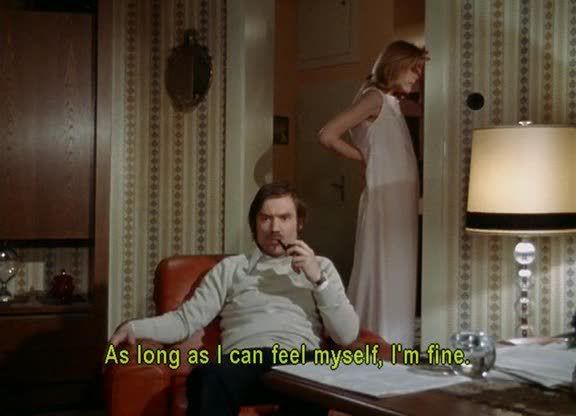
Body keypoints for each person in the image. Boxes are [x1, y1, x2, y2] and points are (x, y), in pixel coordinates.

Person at [109, 181, 359, 416]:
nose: (275, 228)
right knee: (207, 377)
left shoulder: (321, 267)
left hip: (299, 361)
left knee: (319, 376)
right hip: (243, 363)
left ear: (299, 223)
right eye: (266, 218)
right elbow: (184, 321)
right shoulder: (231, 268)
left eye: (284, 218)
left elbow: (346, 335)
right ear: (254, 225)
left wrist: (318, 280)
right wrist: (133, 327)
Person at [318, 40, 427, 347]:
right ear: (395, 65)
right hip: (384, 199)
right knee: (383, 269)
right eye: (413, 68)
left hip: (400, 200)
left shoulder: (392, 102)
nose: (417, 76)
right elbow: (327, 134)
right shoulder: (373, 97)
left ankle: (396, 342)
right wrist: (365, 158)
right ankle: (374, 342)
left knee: (399, 273)